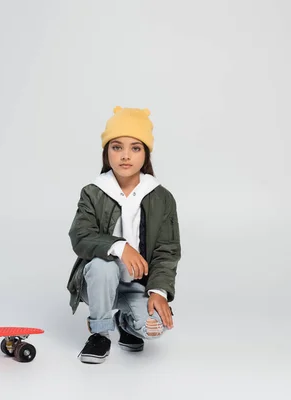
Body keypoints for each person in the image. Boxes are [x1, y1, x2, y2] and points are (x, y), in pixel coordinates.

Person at [66, 106, 182, 364]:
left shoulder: (161, 197)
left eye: (135, 148)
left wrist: (159, 291)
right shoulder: (93, 192)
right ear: (107, 152)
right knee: (102, 267)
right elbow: (81, 235)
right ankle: (100, 333)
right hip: (97, 282)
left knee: (154, 328)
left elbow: (167, 250)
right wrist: (119, 246)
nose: (125, 156)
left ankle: (126, 323)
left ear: (146, 153)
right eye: (117, 147)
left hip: (136, 284)